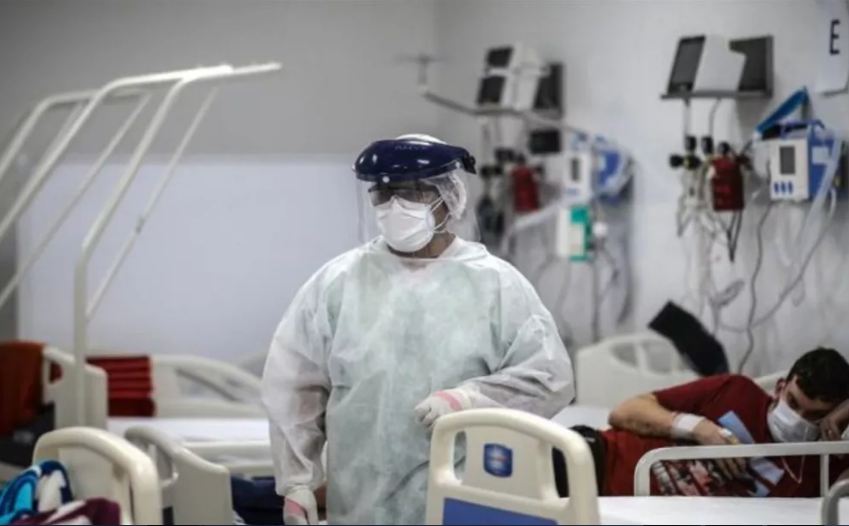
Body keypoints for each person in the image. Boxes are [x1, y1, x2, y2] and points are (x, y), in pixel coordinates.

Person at [262, 134, 574, 525]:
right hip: (361, 503)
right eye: (384, 194)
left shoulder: (496, 284)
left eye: (412, 193)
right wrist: (297, 482)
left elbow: (549, 378)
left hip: (468, 498)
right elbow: (295, 386)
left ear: (449, 196)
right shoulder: (338, 282)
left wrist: (470, 400)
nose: (395, 207)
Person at [553, 347, 849, 497]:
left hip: (637, 510)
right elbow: (624, 412)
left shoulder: (824, 467)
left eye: (814, 415)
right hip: (601, 462)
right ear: (781, 387)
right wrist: (697, 428)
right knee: (542, 462)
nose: (797, 418)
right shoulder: (737, 391)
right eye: (793, 402)